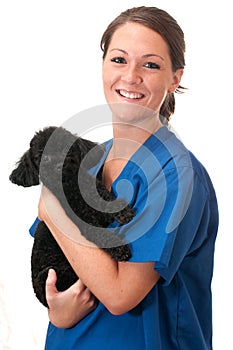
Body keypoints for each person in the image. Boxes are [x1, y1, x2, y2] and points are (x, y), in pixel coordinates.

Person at [33, 6, 218, 350]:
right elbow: (58, 266)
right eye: (119, 59)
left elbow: (120, 295)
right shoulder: (86, 160)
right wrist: (56, 311)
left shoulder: (177, 174)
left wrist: (52, 207)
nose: (131, 76)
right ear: (103, 65)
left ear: (175, 78)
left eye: (150, 64)